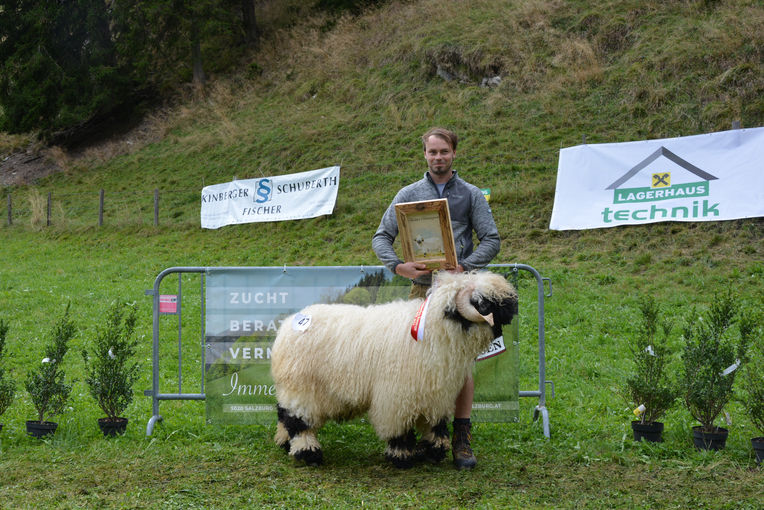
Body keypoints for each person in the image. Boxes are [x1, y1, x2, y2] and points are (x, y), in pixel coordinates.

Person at [372, 127, 501, 469]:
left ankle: (460, 437)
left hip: (460, 292)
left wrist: (466, 266)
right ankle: (423, 432)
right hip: (422, 290)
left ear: (454, 153)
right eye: (433, 152)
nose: (438, 157)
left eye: (444, 151)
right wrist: (399, 266)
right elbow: (381, 236)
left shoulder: (471, 195)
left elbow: (491, 239)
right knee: (414, 362)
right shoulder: (409, 193)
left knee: (459, 365)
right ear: (425, 155)